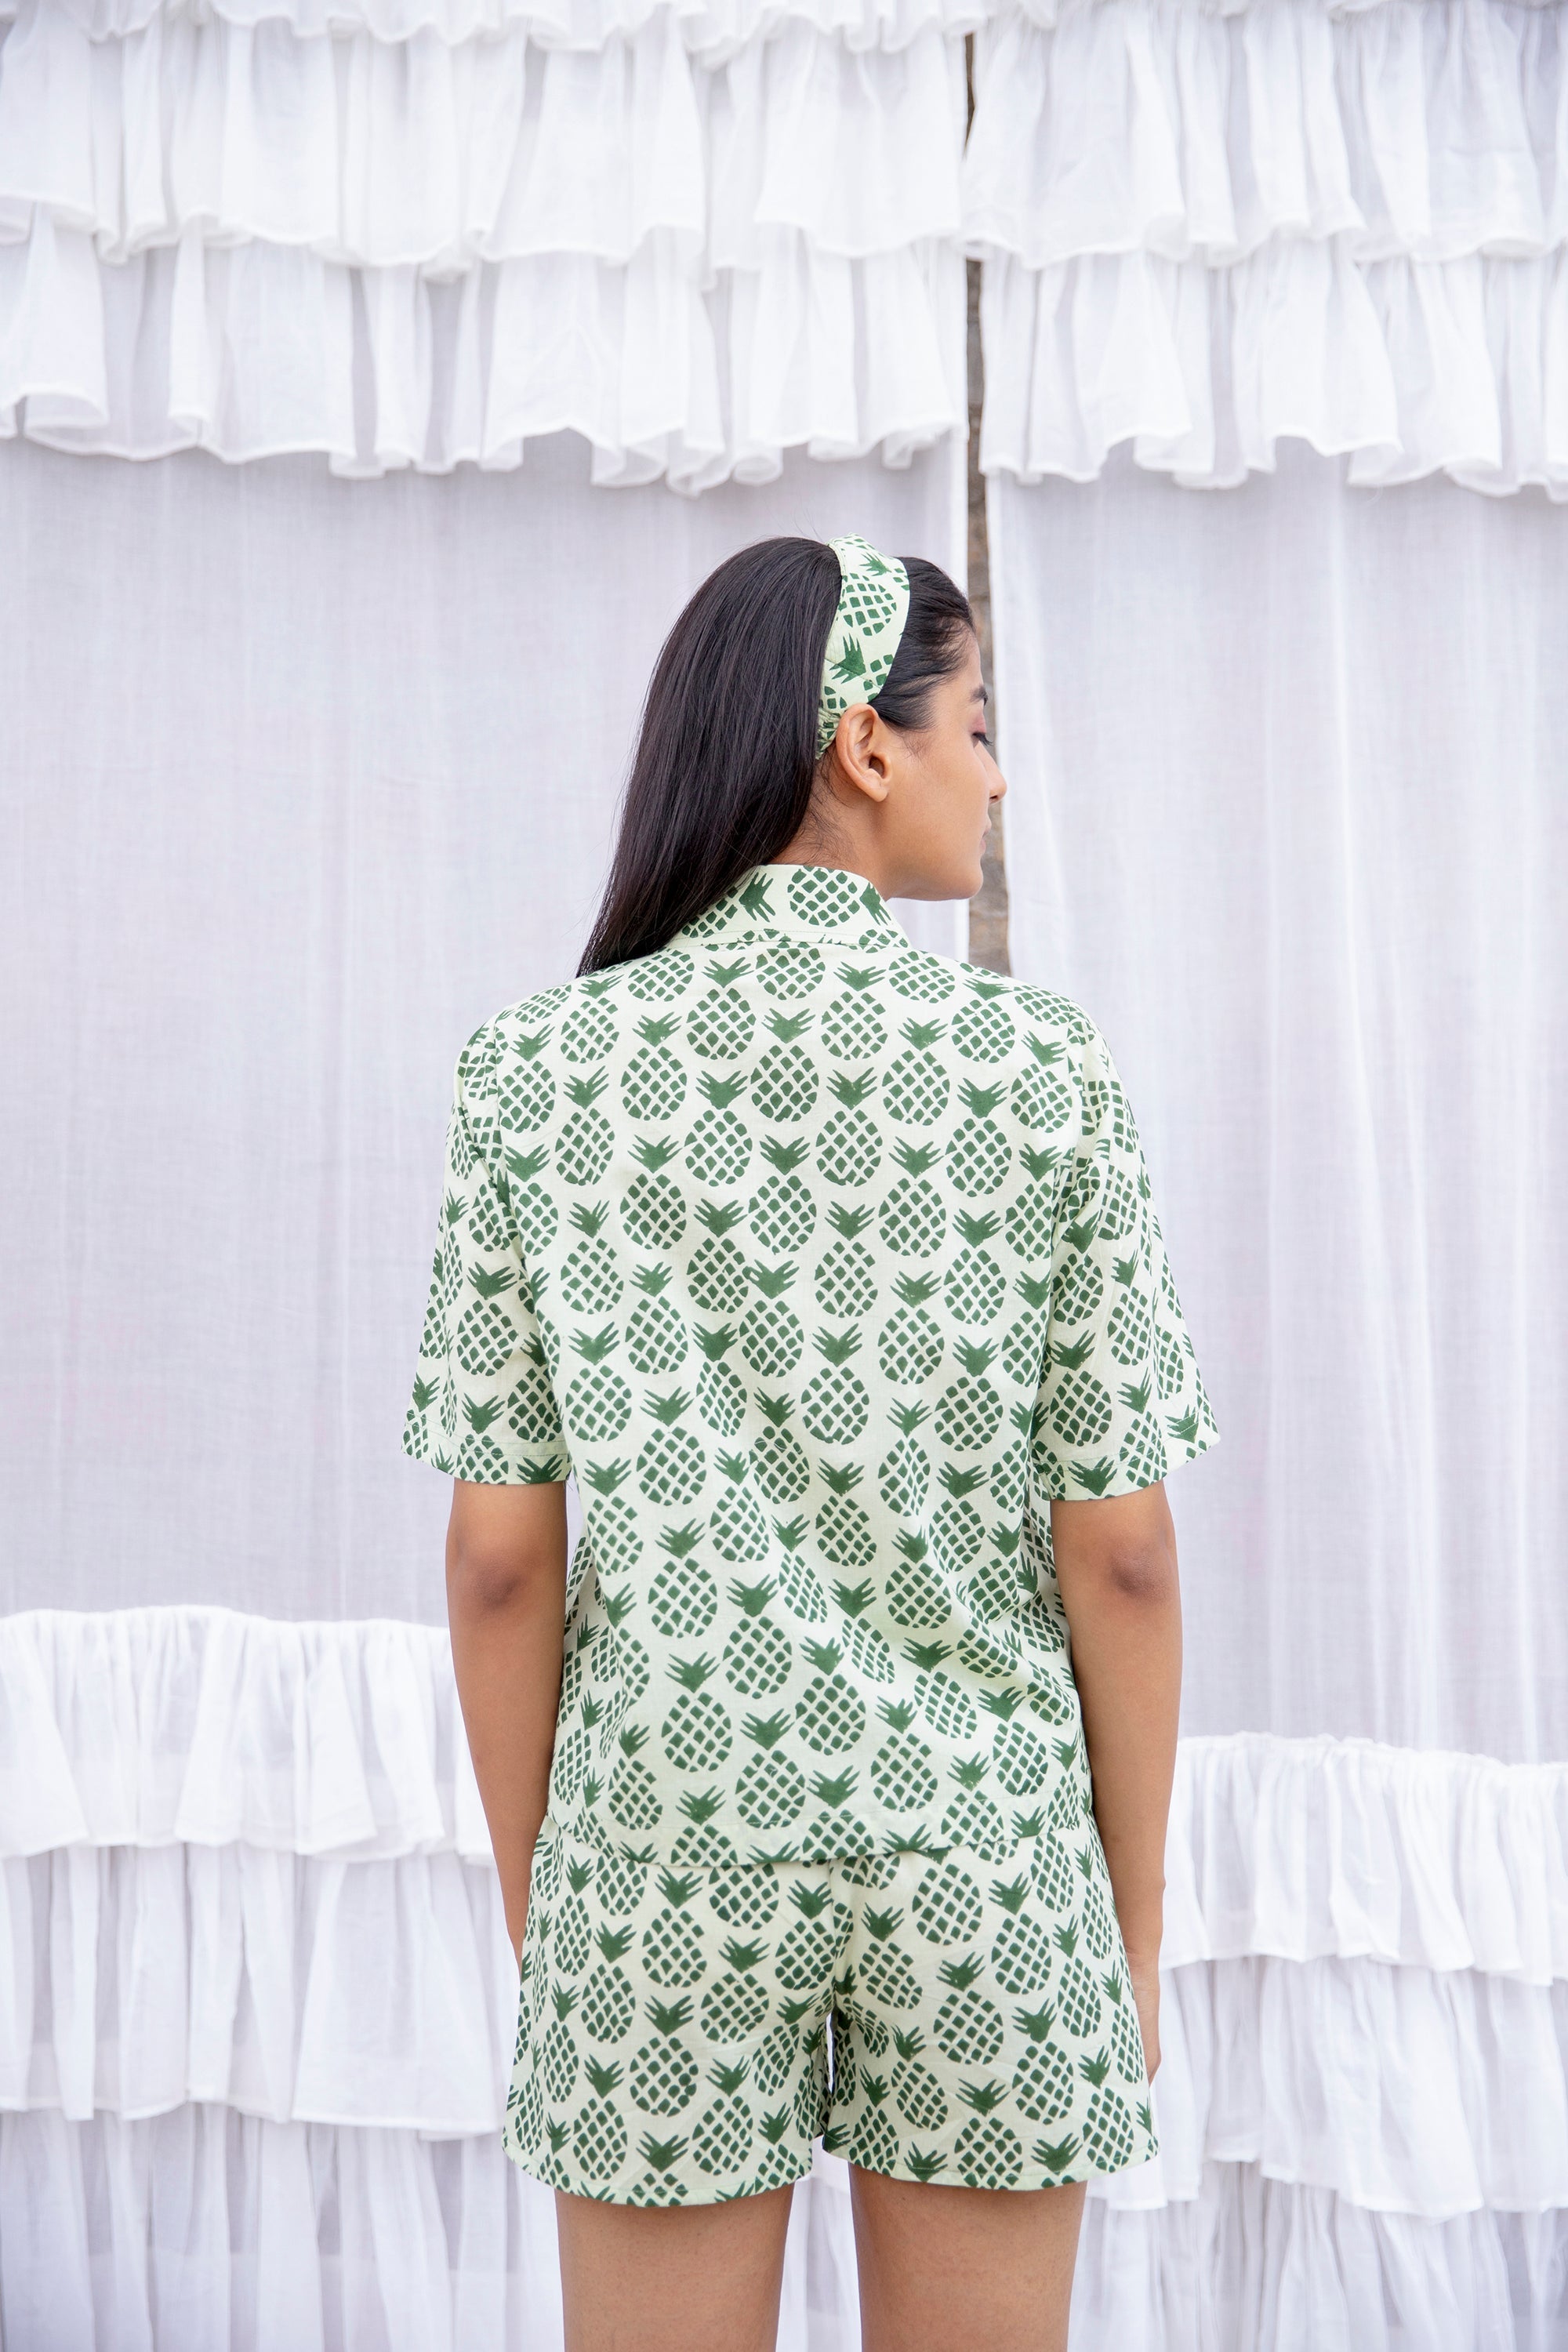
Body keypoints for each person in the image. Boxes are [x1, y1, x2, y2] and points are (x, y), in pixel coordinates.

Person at [402, 534, 1219, 2352]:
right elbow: (1125, 1550)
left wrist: (556, 1903)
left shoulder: (535, 1074)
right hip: (982, 1850)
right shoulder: (1041, 1072)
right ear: (865, 743)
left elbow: (496, 1562)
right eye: (976, 724)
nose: (994, 775)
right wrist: (1133, 1924)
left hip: (662, 1848)